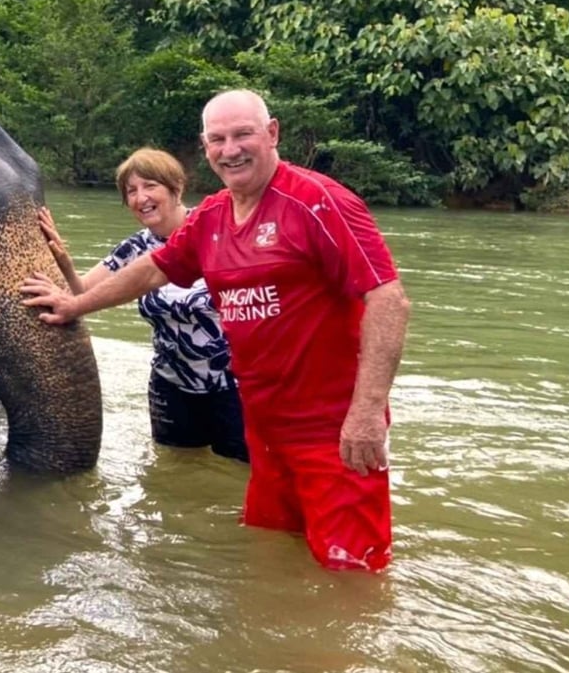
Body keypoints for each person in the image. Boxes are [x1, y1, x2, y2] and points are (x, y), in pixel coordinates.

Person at [22, 90, 409, 572]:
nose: (231, 149)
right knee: (271, 556)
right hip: (263, 426)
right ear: (205, 148)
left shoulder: (319, 202)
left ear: (272, 134)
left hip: (331, 430)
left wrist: (369, 412)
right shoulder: (213, 217)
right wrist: (74, 303)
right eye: (218, 139)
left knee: (353, 573)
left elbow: (388, 299)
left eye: (243, 134)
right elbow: (151, 270)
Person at [39, 148, 247, 462]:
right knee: (175, 474)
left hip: (233, 386)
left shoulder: (217, 229)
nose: (140, 198)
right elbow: (82, 292)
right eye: (131, 191)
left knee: (239, 474)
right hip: (171, 384)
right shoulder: (135, 247)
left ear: (176, 188)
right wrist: (64, 260)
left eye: (150, 186)